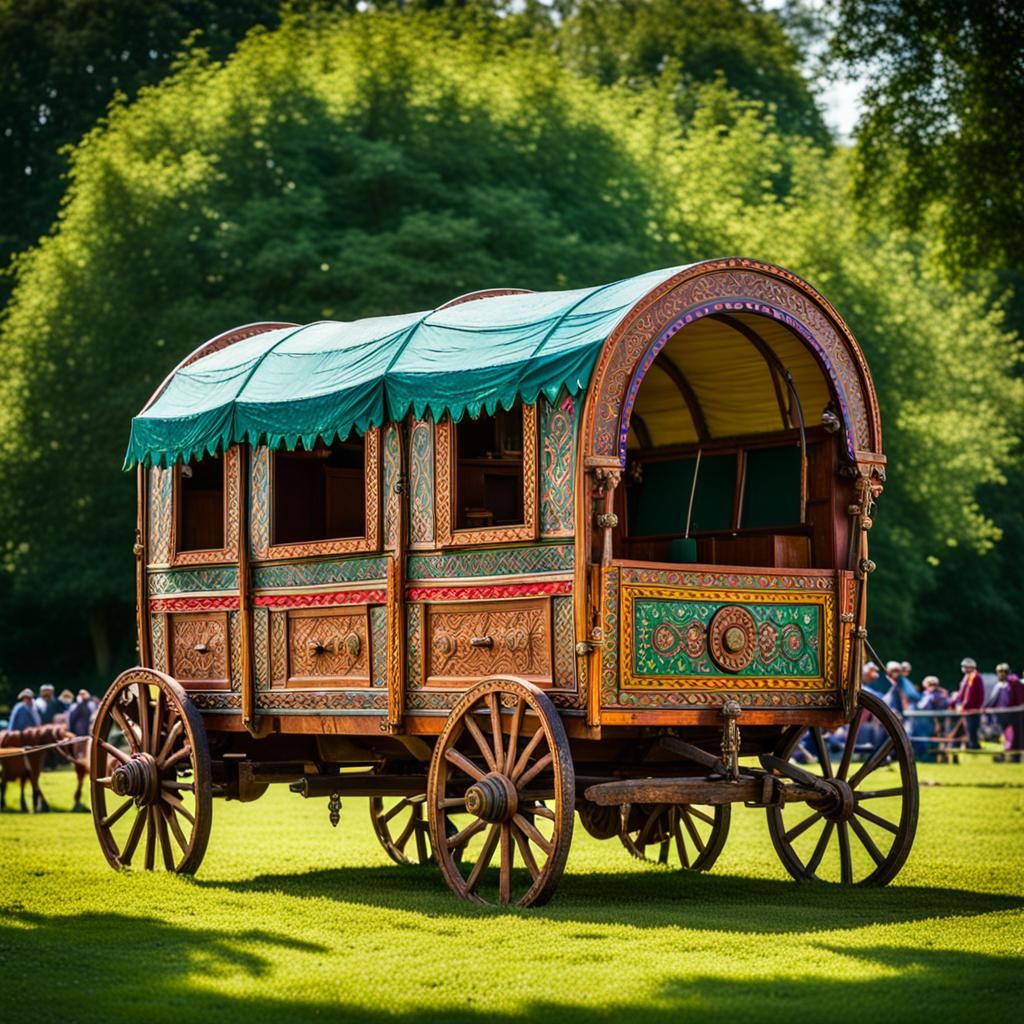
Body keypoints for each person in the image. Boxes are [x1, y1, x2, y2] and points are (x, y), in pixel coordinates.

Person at [985, 664, 1024, 762]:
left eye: (1004, 672)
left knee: (1016, 737)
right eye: (1000, 672)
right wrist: (985, 709)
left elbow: (1019, 699)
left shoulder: (1014, 683)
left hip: (1014, 715)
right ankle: (1000, 757)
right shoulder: (998, 686)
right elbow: (992, 701)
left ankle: (1015, 757)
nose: (1001, 675)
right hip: (1000, 717)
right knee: (998, 737)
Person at [912, 676, 949, 761]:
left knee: (930, 742)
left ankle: (929, 759)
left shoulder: (931, 696)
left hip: (931, 723)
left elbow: (921, 707)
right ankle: (933, 758)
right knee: (935, 742)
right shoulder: (941, 695)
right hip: (936, 723)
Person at [952, 657, 986, 749]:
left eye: (966, 667)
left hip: (972, 709)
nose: (964, 669)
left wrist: (963, 705)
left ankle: (973, 746)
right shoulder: (967, 677)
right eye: (964, 666)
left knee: (971, 728)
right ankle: (968, 745)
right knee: (967, 728)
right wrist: (954, 703)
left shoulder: (974, 676)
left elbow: (969, 693)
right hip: (967, 708)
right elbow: (961, 693)